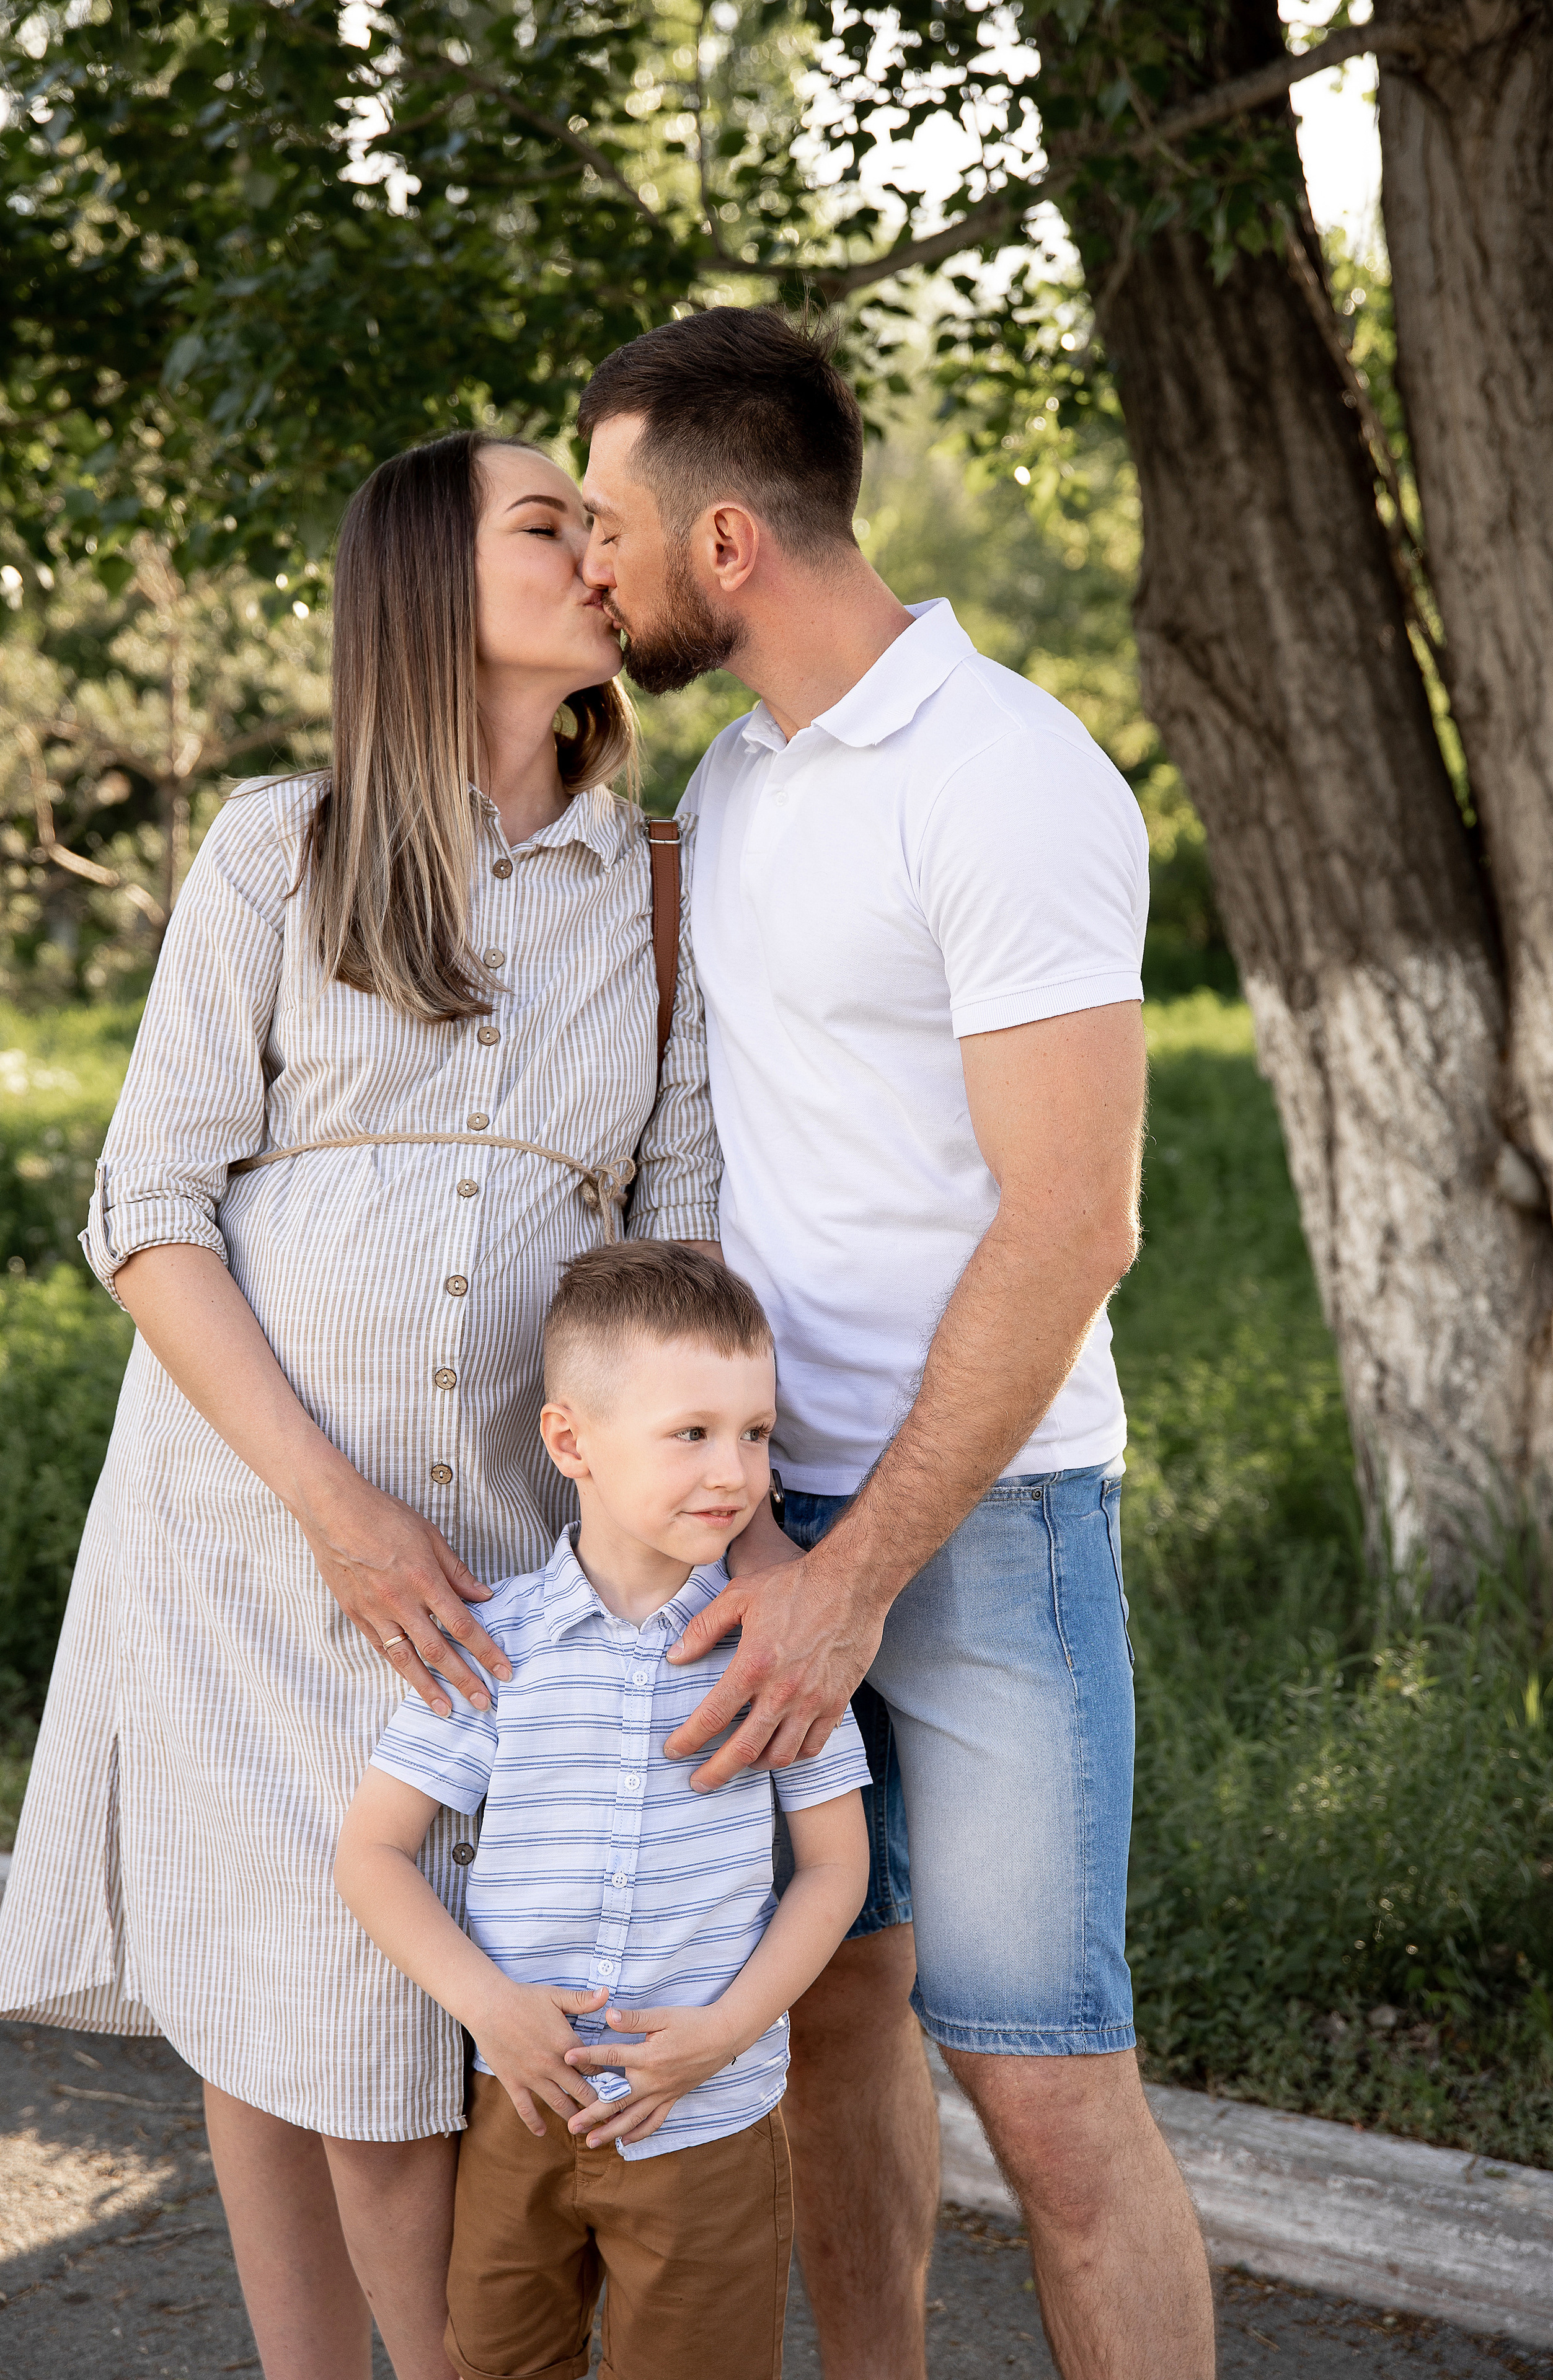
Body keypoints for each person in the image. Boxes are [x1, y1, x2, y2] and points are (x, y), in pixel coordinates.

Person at [0, 432, 748, 2380]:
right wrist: (334, 1509)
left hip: (500, 1550)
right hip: (242, 1532)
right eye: (548, 524)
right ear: (426, 585)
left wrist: (698, 1530)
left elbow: (676, 1245)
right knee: (284, 2008)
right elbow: (147, 1206)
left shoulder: (662, 889)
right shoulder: (282, 844)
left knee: (403, 2052)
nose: (599, 553)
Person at [577, 307, 1218, 2380]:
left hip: (989, 1526)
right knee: (834, 2021)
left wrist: (853, 1577)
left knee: (1045, 2082)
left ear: (729, 541)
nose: (593, 570)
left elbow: (1077, 1218)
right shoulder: (741, 782)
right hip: (766, 1519)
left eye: (609, 527)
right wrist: (754, 1522)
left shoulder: (1006, 775)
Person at [336, 1241, 871, 2380]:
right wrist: (489, 2009)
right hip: (522, 2106)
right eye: (693, 1432)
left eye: (757, 1433)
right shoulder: (498, 1647)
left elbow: (836, 1868)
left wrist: (728, 2032)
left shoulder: (779, 1658)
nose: (735, 1472)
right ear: (571, 1441)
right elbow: (372, 1853)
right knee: (500, 2365)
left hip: (707, 2121)